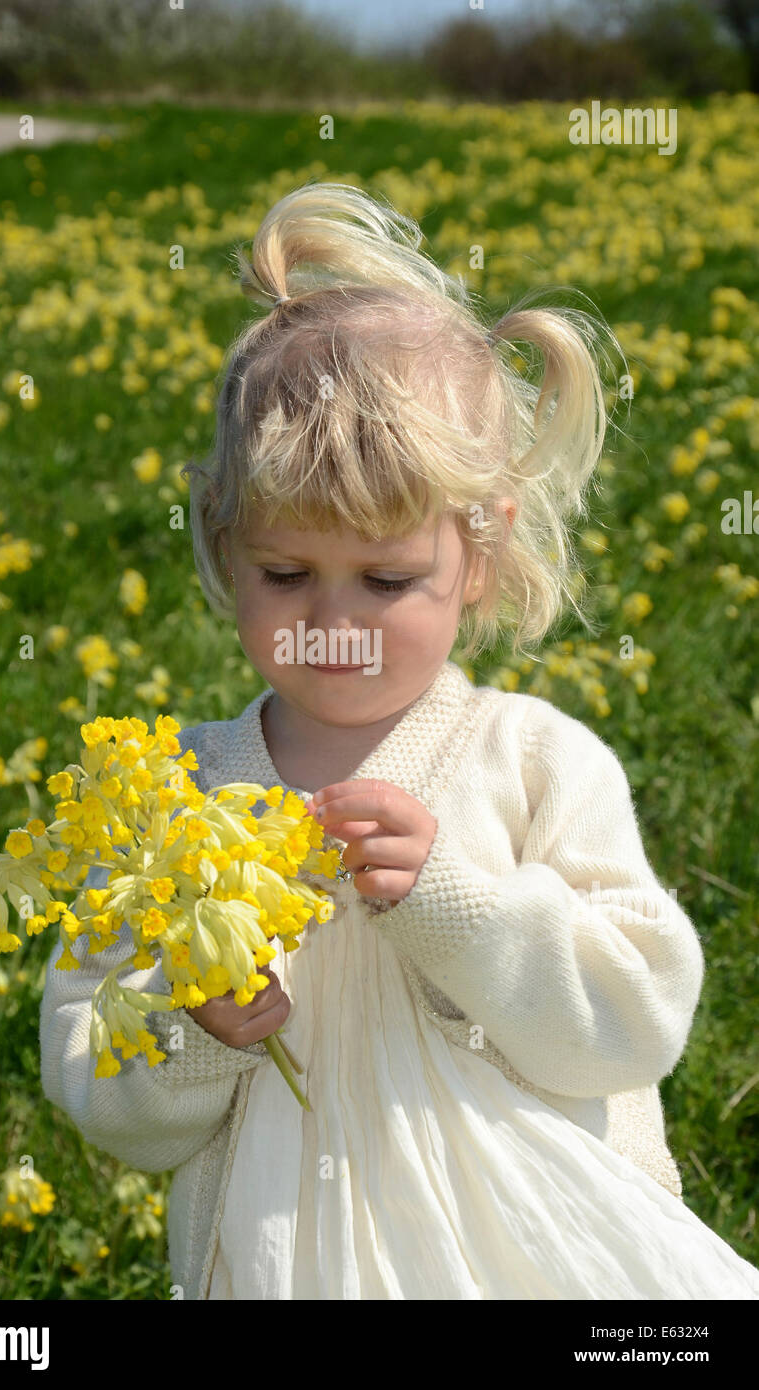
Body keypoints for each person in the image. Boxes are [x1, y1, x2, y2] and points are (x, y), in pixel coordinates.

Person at [40, 181, 759, 1299]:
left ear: (479, 556)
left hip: (542, 1251)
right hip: (284, 1257)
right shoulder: (175, 795)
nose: (333, 624)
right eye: (286, 574)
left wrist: (458, 902)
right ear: (222, 543)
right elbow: (96, 1074)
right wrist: (197, 1026)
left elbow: (636, 1021)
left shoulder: (530, 759)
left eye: (387, 579)